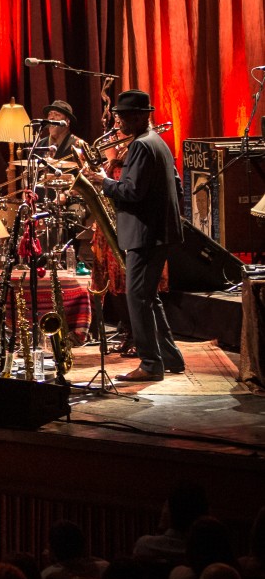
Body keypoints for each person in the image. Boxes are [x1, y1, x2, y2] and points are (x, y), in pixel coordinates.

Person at [85, 89, 185, 381]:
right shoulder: (158, 143)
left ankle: (151, 365)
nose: (120, 122)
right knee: (148, 297)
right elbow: (176, 186)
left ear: (142, 117)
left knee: (137, 297)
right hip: (159, 232)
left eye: (126, 116)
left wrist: (103, 182)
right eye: (119, 116)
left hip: (145, 235)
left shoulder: (141, 146)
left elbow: (131, 191)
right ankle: (170, 357)